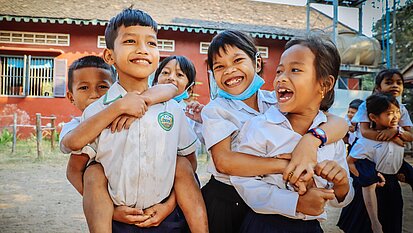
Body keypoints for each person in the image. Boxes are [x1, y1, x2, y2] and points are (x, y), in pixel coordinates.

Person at [62, 8, 208, 233]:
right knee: (94, 171)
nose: (142, 49)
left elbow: (189, 164)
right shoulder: (97, 111)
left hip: (167, 220)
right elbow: (76, 161)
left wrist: (168, 206)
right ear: (110, 56)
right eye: (130, 41)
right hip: (118, 222)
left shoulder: (172, 108)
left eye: (151, 43)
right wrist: (110, 208)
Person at [200, 29, 348, 233]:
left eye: (237, 61)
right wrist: (289, 164)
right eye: (219, 66)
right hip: (229, 198)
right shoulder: (217, 109)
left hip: (270, 201)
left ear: (257, 63)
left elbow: (337, 122)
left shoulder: (276, 101)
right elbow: (224, 162)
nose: (229, 70)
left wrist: (311, 141)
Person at [347, 93, 411, 233]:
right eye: (389, 113)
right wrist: (365, 176)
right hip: (375, 186)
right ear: (373, 117)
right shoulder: (366, 142)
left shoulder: (399, 136)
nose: (395, 117)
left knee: (393, 221)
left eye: (397, 112)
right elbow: (350, 161)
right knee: (372, 226)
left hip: (392, 184)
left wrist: (396, 132)